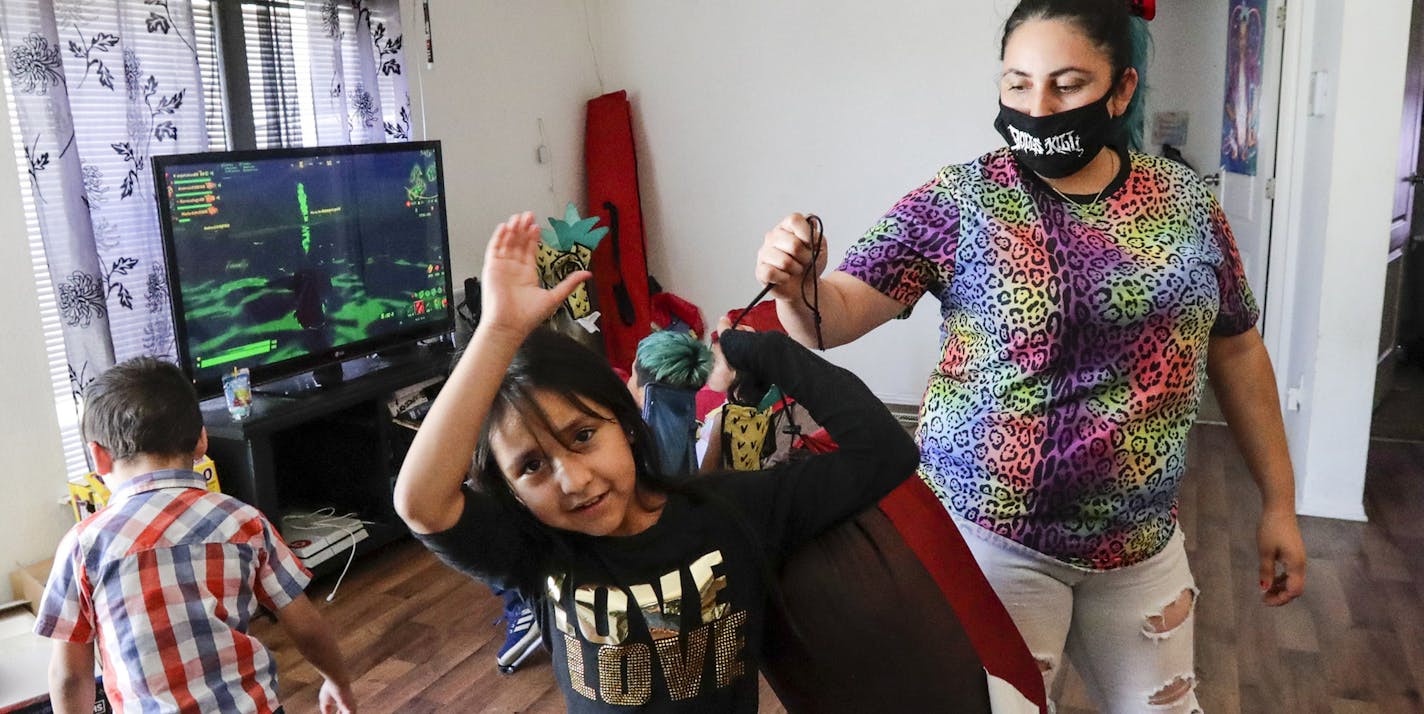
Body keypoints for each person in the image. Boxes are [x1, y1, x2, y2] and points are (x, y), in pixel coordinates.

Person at [751, 0, 1307, 710]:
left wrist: (1280, 503)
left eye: (1067, 84)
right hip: (992, 543)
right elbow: (833, 319)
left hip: (1139, 545)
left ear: (1122, 89)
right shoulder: (963, 199)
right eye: (1017, 83)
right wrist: (799, 289)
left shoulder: (1184, 204)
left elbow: (1237, 348)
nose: (1038, 106)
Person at [393, 212, 917, 711]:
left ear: (625, 422)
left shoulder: (732, 512)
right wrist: (499, 333)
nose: (574, 480)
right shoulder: (533, 549)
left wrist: (768, 352)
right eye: (531, 466)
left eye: (583, 435)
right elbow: (420, 503)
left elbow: (884, 452)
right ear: (507, 487)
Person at [34, 357, 355, 714]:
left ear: (98, 457)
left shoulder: (84, 545)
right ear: (202, 439)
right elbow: (306, 625)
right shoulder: (244, 521)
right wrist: (337, 681)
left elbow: (70, 676)